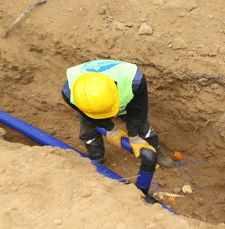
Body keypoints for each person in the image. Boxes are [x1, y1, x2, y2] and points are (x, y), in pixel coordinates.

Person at [62, 59, 175, 202]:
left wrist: (133, 136)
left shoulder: (134, 81)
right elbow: (87, 115)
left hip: (127, 96)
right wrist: (111, 128)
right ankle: (96, 160)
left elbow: (139, 112)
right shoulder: (70, 93)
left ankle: (155, 153)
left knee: (143, 129)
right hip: (89, 104)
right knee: (87, 132)